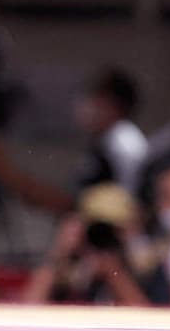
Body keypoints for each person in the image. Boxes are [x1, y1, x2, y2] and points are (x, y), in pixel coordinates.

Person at [22, 184, 154, 308]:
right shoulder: (64, 269)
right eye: (97, 229)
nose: (104, 236)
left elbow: (150, 322)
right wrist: (58, 253)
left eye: (112, 230)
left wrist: (113, 273)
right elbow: (25, 313)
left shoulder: (146, 267)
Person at [77, 68, 151, 198]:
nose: (88, 106)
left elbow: (130, 195)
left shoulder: (126, 142)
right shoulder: (104, 138)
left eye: (96, 100)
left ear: (113, 105)